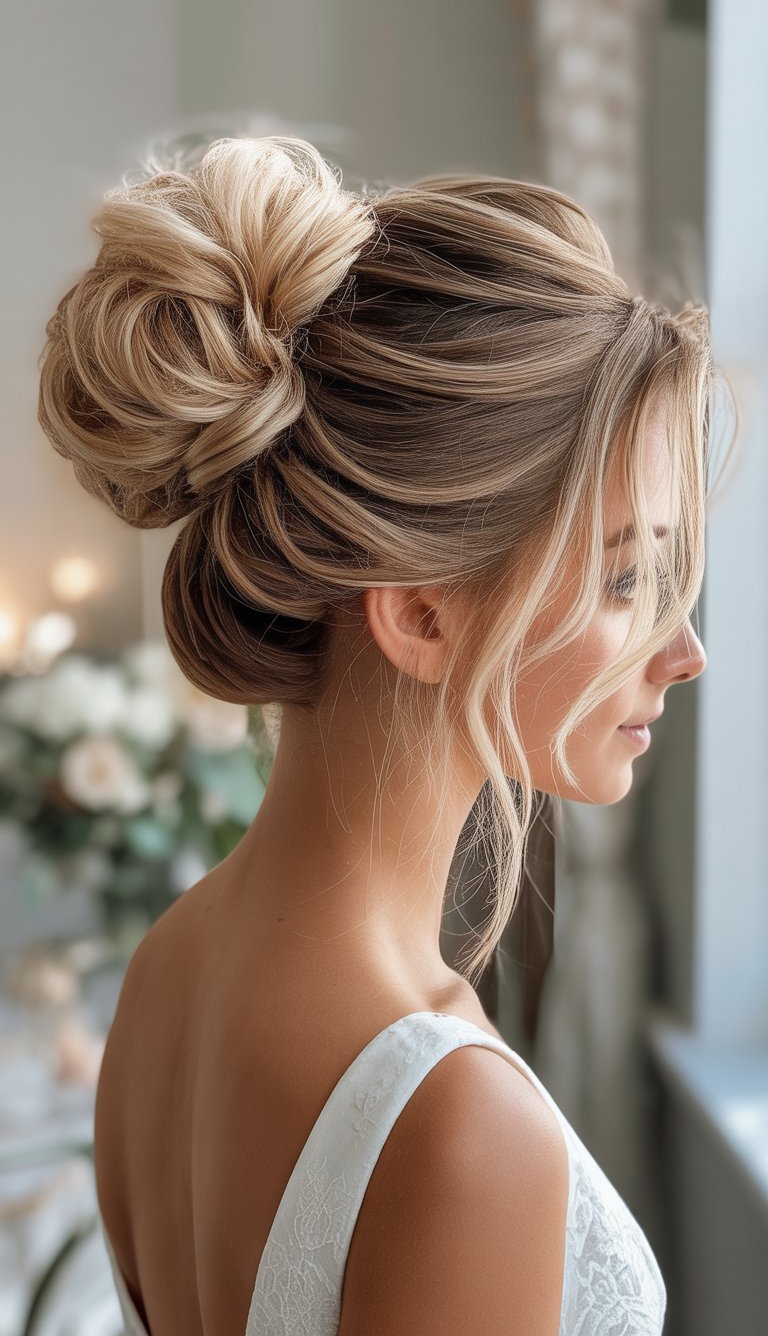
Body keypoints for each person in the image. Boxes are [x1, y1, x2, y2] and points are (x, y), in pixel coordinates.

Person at [37, 134, 718, 1335]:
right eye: (624, 579)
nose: (683, 651)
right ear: (420, 613)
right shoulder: (455, 1125)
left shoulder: (164, 973)